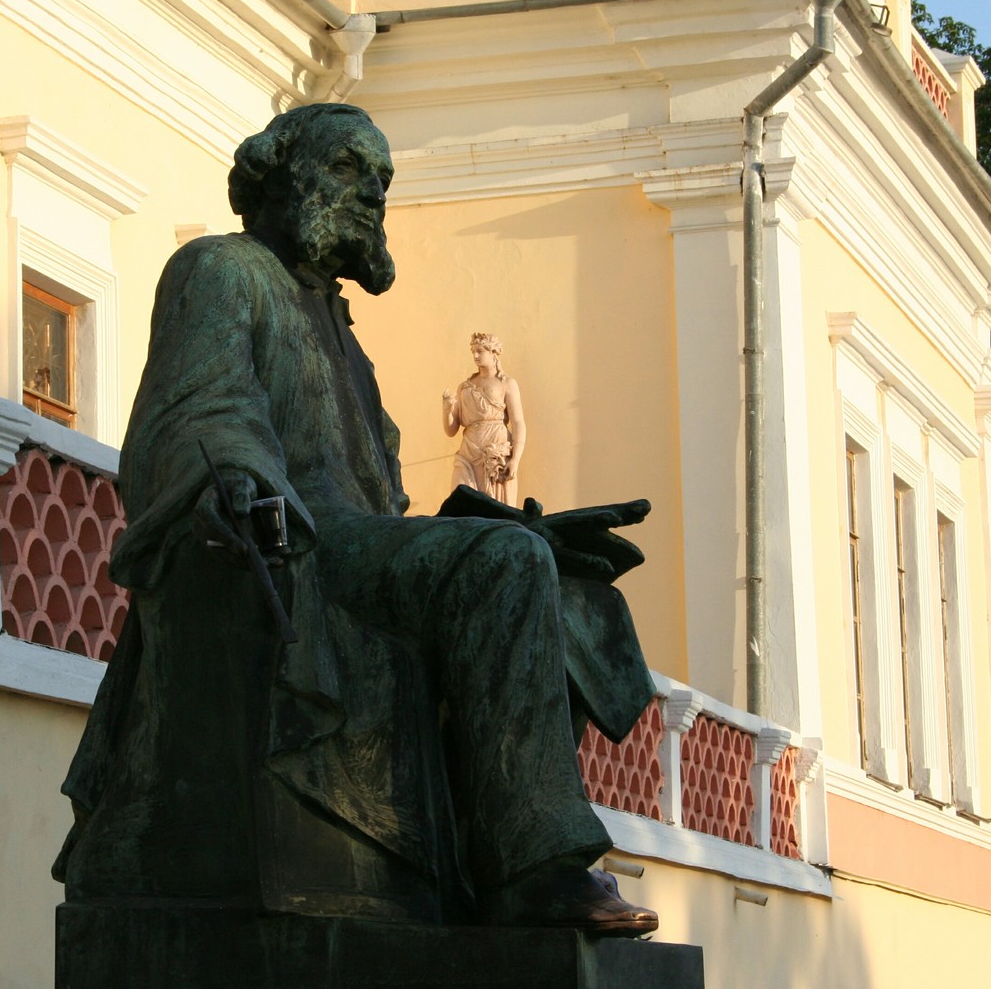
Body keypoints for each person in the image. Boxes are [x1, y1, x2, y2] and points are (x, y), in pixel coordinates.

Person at [54, 103, 657, 935]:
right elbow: (201, 412)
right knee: (504, 565)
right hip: (297, 541)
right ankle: (533, 872)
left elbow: (388, 509)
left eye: (382, 179)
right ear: (279, 173)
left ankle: (496, 847)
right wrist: (241, 485)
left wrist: (515, 531)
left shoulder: (342, 332)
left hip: (355, 547)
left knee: (554, 576)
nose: (372, 191)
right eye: (349, 169)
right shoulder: (222, 272)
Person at [443, 332, 525, 505]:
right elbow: (451, 430)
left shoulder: (507, 383)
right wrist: (447, 409)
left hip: (496, 454)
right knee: (461, 501)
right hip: (468, 451)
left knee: (495, 509)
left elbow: (518, 423)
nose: (475, 356)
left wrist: (515, 459)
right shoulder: (465, 387)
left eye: (480, 351)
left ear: (493, 352)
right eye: (473, 351)